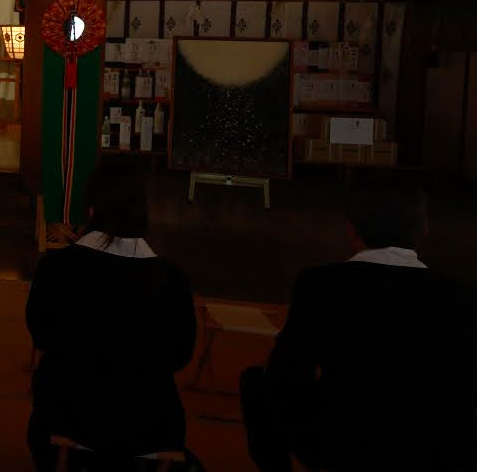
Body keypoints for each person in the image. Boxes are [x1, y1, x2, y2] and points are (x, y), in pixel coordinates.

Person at [241, 179, 477, 472]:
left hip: (344, 444)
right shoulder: (461, 296)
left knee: (256, 382)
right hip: (439, 449)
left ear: (352, 230)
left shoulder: (321, 285)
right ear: (423, 231)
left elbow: (287, 370)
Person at [25, 163, 196, 469]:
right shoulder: (172, 279)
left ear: (91, 210)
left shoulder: (58, 268)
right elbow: (180, 356)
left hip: (69, 418)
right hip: (150, 429)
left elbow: (41, 334)